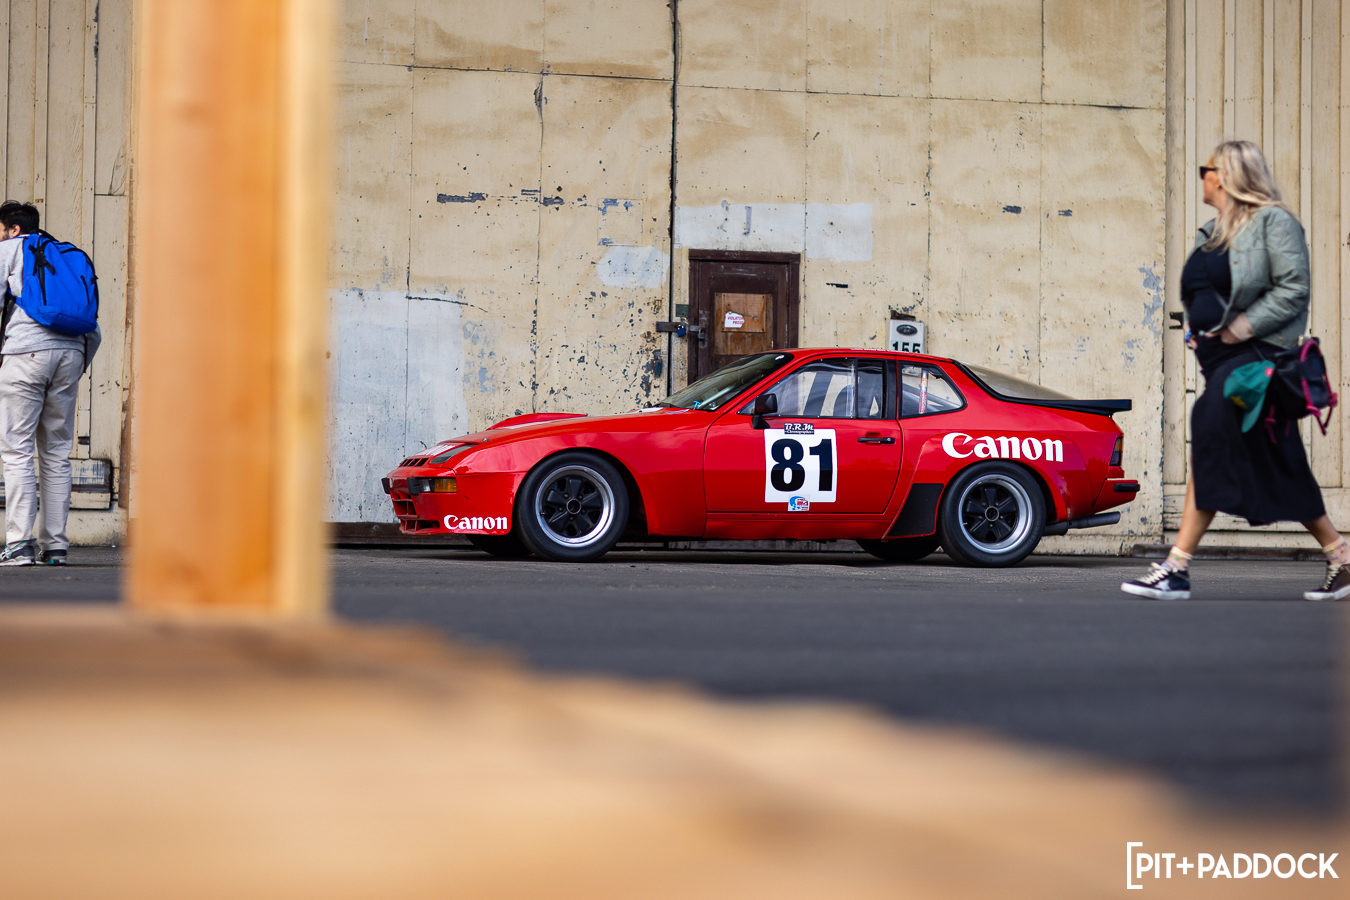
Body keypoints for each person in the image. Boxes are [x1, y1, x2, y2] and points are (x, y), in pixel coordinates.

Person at [1121, 141, 1349, 601]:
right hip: (1219, 360)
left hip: (1257, 358)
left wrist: (1236, 329)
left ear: (1224, 175)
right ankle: (1341, 556)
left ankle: (1177, 567)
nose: (1201, 177)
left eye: (1205, 169)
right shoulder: (1211, 232)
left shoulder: (1274, 223)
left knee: (1208, 427)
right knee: (1279, 457)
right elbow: (1204, 294)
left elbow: (1293, 288)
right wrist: (1197, 331)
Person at [0, 201, 101, 566]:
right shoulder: (67, 257)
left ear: (13, 229)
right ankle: (55, 547)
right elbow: (92, 324)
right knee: (57, 452)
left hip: (25, 354)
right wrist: (76, 365)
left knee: (17, 450)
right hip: (71, 354)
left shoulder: (10, 250)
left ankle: (19, 544)